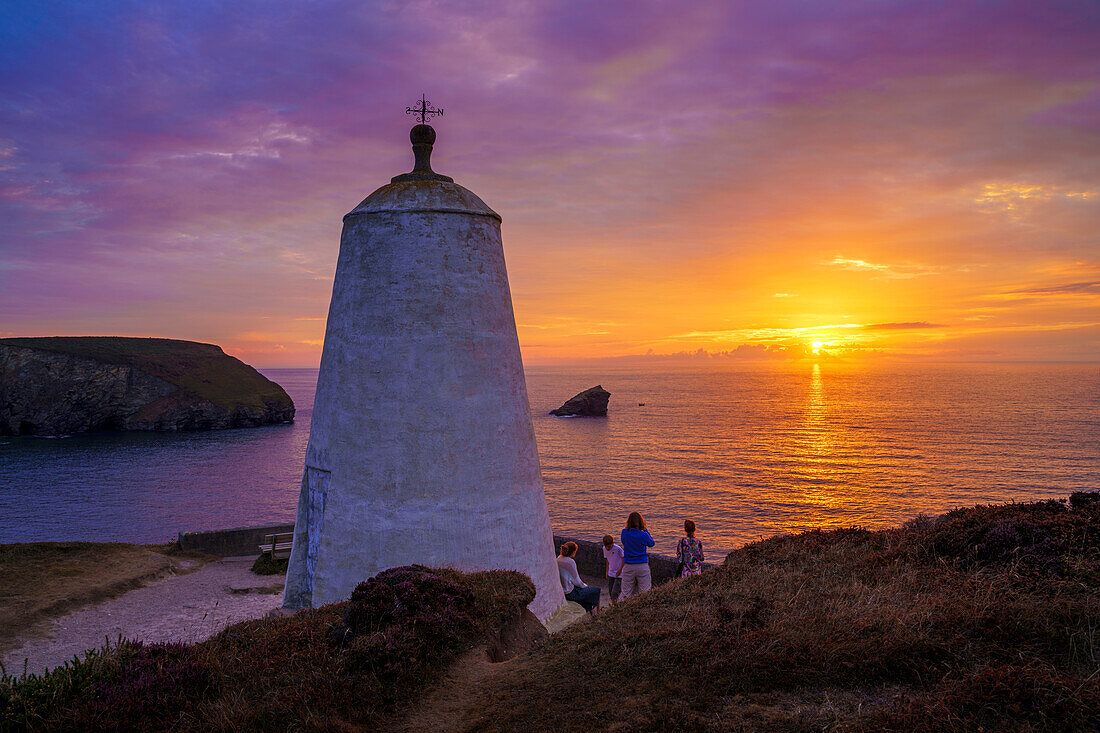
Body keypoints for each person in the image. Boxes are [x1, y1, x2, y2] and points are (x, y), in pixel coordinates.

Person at [557, 541, 601, 613]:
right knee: (596, 590)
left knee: (588, 592)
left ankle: (591, 611)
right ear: (573, 551)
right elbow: (577, 582)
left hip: (563, 591)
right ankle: (598, 612)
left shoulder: (558, 559)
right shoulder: (570, 562)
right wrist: (586, 586)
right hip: (570, 594)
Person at [619, 511, 654, 600]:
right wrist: (646, 530)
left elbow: (623, 542)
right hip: (642, 565)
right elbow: (651, 543)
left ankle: (620, 611)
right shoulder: (643, 535)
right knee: (645, 592)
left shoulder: (624, 533)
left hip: (628, 565)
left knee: (625, 592)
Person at [602, 534, 624, 602]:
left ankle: (615, 607)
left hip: (619, 574)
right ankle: (614, 606)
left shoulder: (618, 549)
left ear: (613, 543)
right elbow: (608, 560)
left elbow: (624, 559)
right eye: (607, 547)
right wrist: (607, 571)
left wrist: (620, 570)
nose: (608, 549)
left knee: (615, 593)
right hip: (611, 573)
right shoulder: (604, 549)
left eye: (609, 547)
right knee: (611, 592)